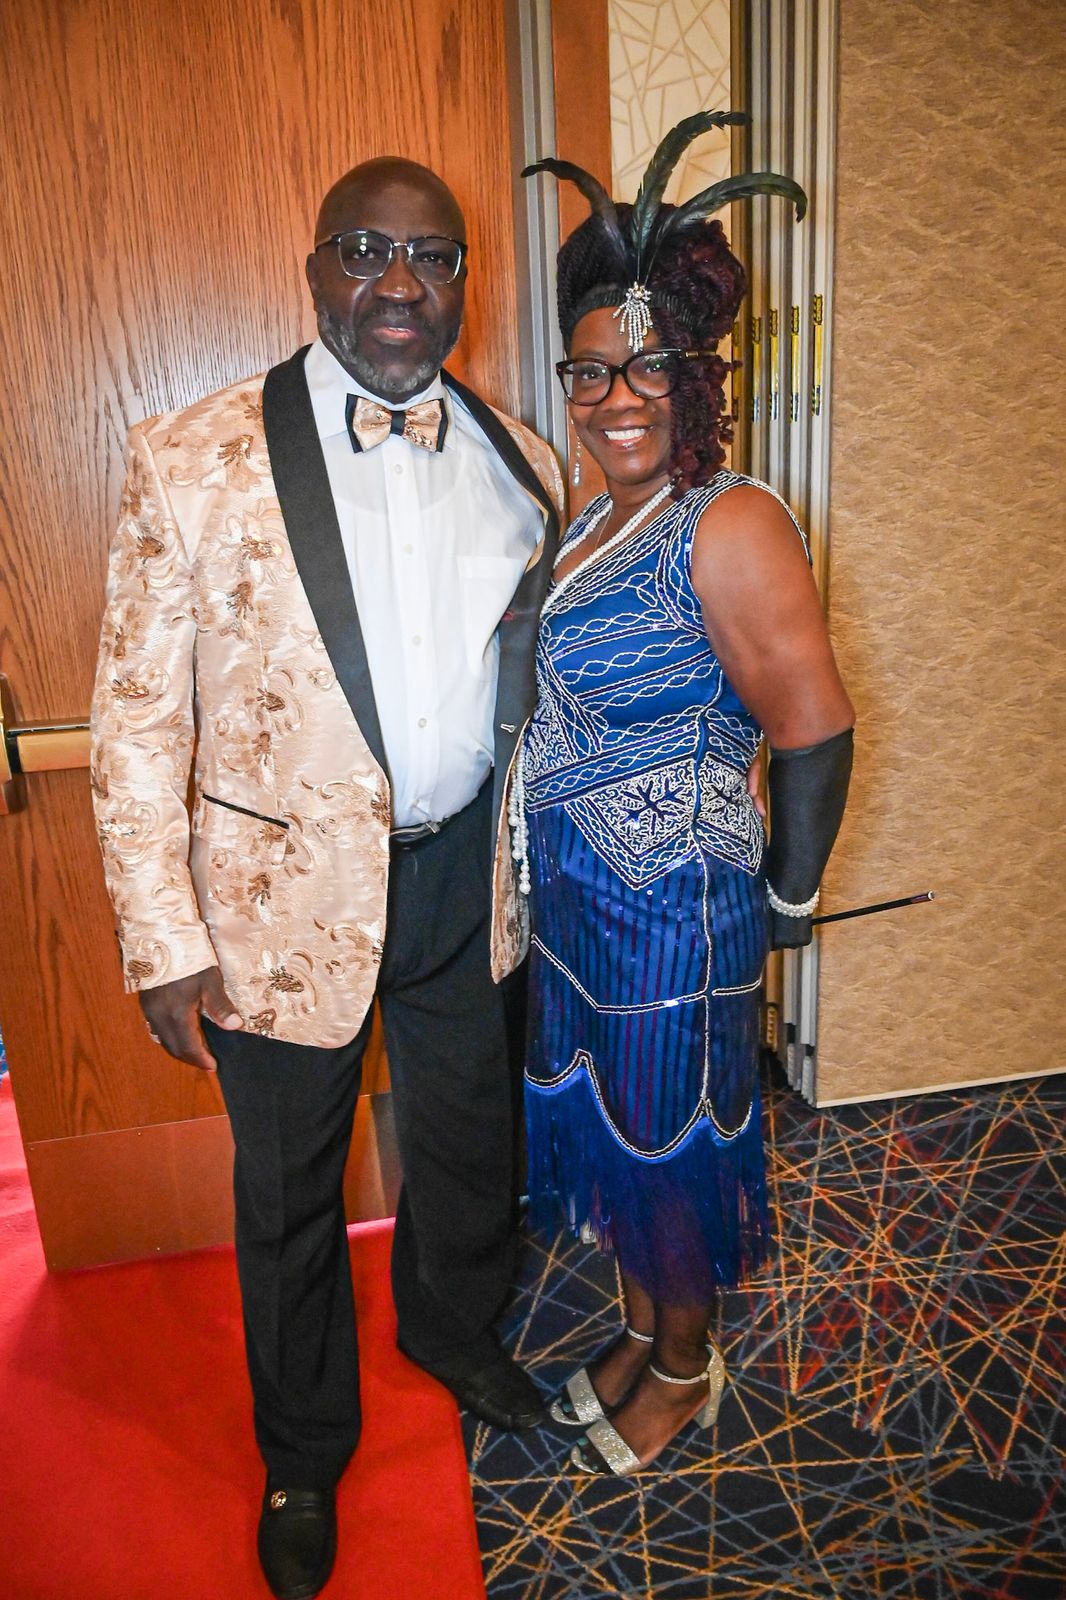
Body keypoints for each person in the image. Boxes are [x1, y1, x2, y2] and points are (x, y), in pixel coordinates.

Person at [91, 156, 562, 1599]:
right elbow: (136, 721)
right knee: (291, 1191)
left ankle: (452, 1329)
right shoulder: (189, 455)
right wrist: (163, 938)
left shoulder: (522, 462)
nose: (401, 283)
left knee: (469, 1145)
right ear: (315, 272)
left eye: (433, 256)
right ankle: (302, 1449)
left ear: (465, 283)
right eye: (366, 251)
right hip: (273, 908)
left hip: (462, 879)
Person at [515, 115, 854, 1477]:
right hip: (577, 904)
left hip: (672, 913)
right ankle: (643, 1326)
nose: (616, 397)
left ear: (697, 373)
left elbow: (814, 732)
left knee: (667, 1147)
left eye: (647, 364)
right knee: (613, 1134)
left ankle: (681, 1369)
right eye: (590, 369)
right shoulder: (597, 517)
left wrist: (787, 900)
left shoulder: (731, 519)